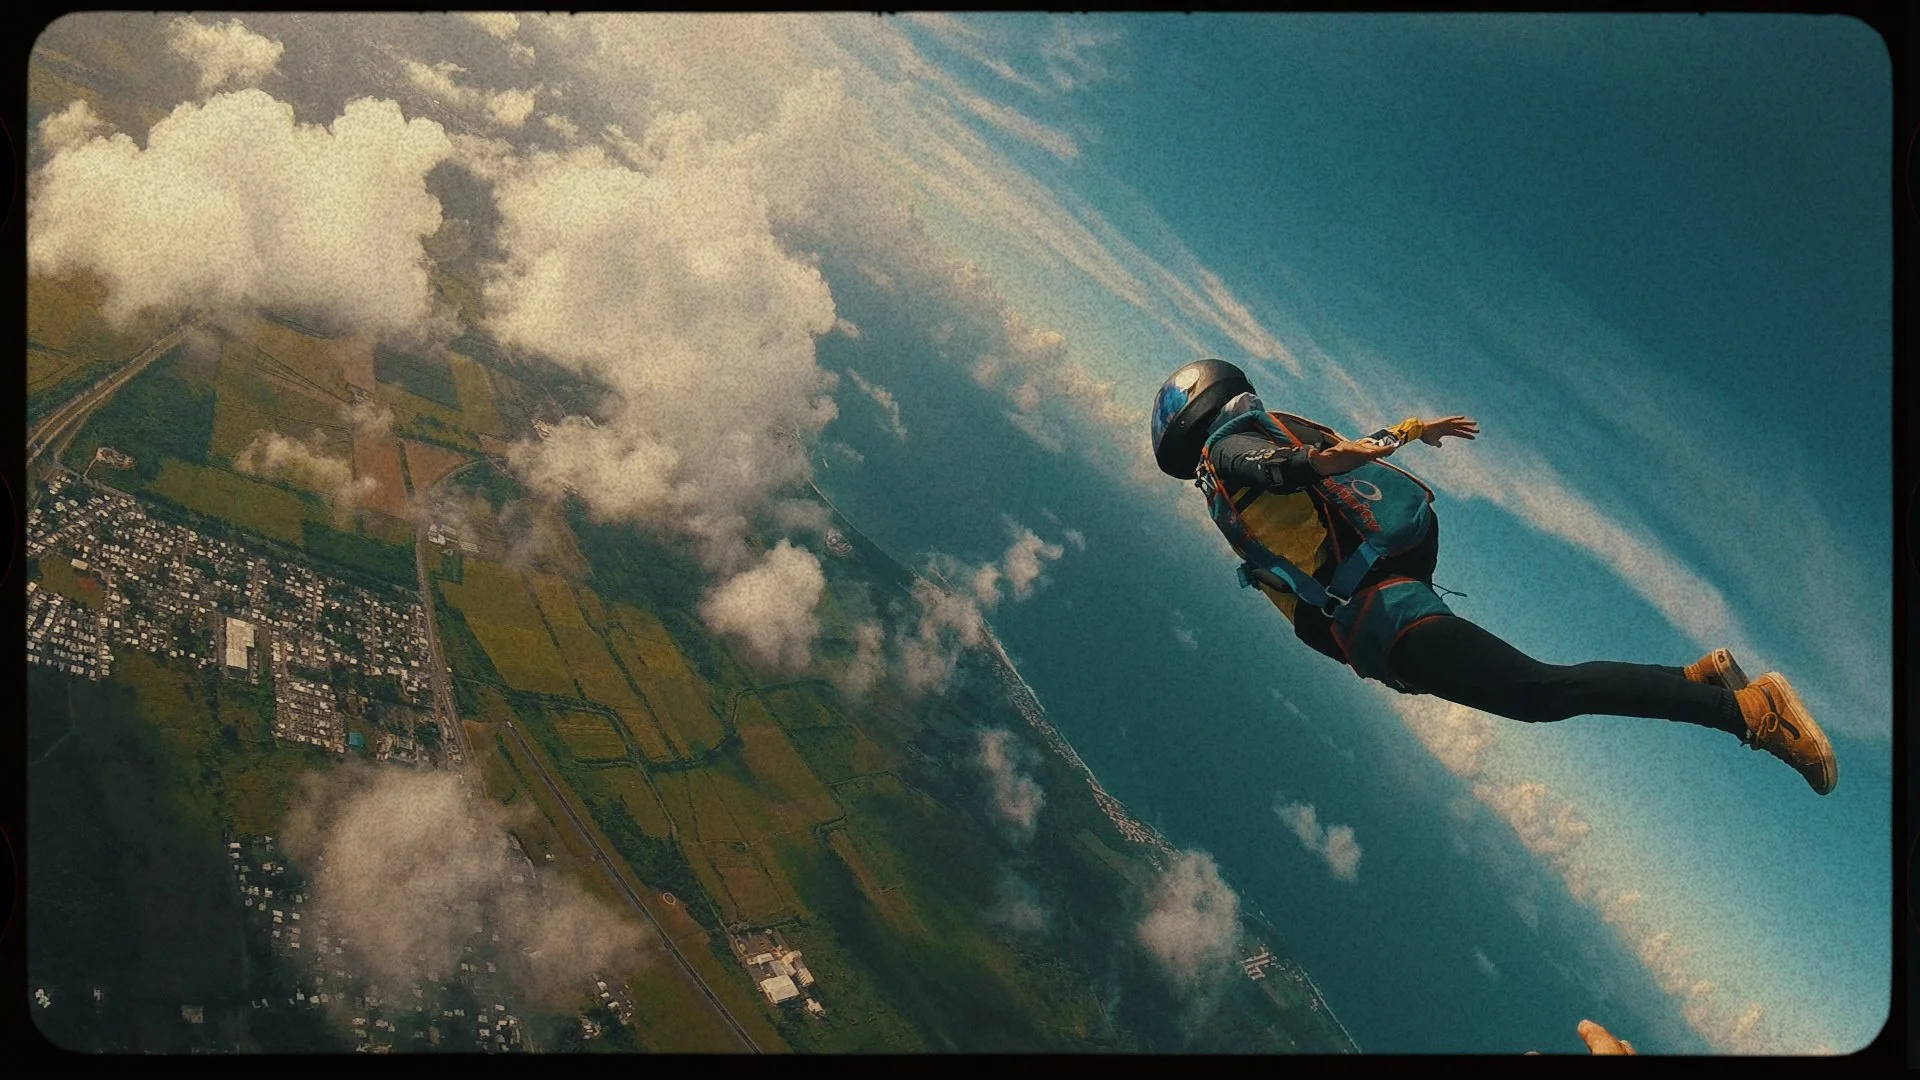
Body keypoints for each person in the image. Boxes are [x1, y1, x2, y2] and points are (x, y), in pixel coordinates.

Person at [1149, 359, 1836, 795]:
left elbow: (1281, 468)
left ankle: (1753, 711)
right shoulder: (1260, 434)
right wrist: (1410, 430)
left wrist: (1330, 460)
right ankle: (1693, 680)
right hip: (1387, 585)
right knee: (1538, 688)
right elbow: (1317, 463)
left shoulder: (1227, 454)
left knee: (1541, 692)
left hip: (1382, 609)